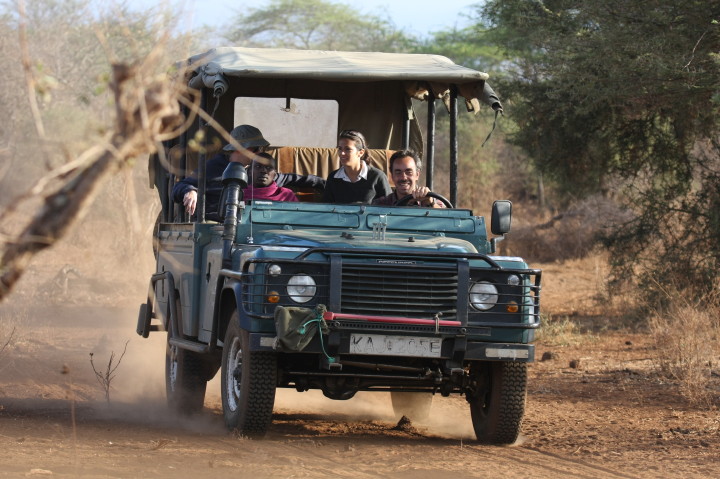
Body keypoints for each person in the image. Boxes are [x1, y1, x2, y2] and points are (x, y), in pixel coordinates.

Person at [173, 124, 324, 216]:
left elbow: (293, 179)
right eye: (257, 148)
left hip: (249, 227)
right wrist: (190, 190)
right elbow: (179, 187)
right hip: (216, 227)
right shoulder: (213, 167)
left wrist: (326, 183)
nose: (261, 153)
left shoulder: (260, 173)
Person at [322, 129, 391, 204]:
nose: (342, 153)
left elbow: (389, 207)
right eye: (340, 149)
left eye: (348, 149)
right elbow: (327, 208)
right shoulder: (333, 178)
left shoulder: (378, 177)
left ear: (361, 153)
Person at [372, 150, 446, 208]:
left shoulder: (433, 201)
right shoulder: (381, 205)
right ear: (392, 176)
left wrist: (430, 204)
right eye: (398, 172)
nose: (403, 177)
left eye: (408, 172)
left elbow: (446, 219)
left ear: (417, 175)